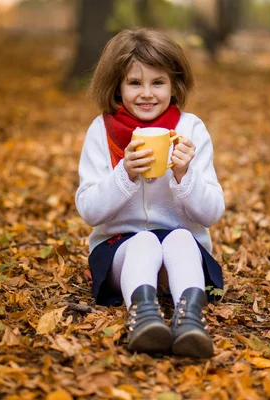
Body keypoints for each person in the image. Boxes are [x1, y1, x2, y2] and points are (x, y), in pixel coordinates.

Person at [75, 27, 225, 359]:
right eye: (134, 83)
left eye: (157, 82)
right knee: (143, 241)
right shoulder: (102, 132)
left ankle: (190, 320)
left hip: (179, 259)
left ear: (174, 86)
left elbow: (211, 213)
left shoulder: (190, 129)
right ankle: (142, 317)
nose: (147, 93)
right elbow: (89, 211)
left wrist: (185, 175)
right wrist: (124, 173)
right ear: (117, 86)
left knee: (181, 237)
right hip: (120, 254)